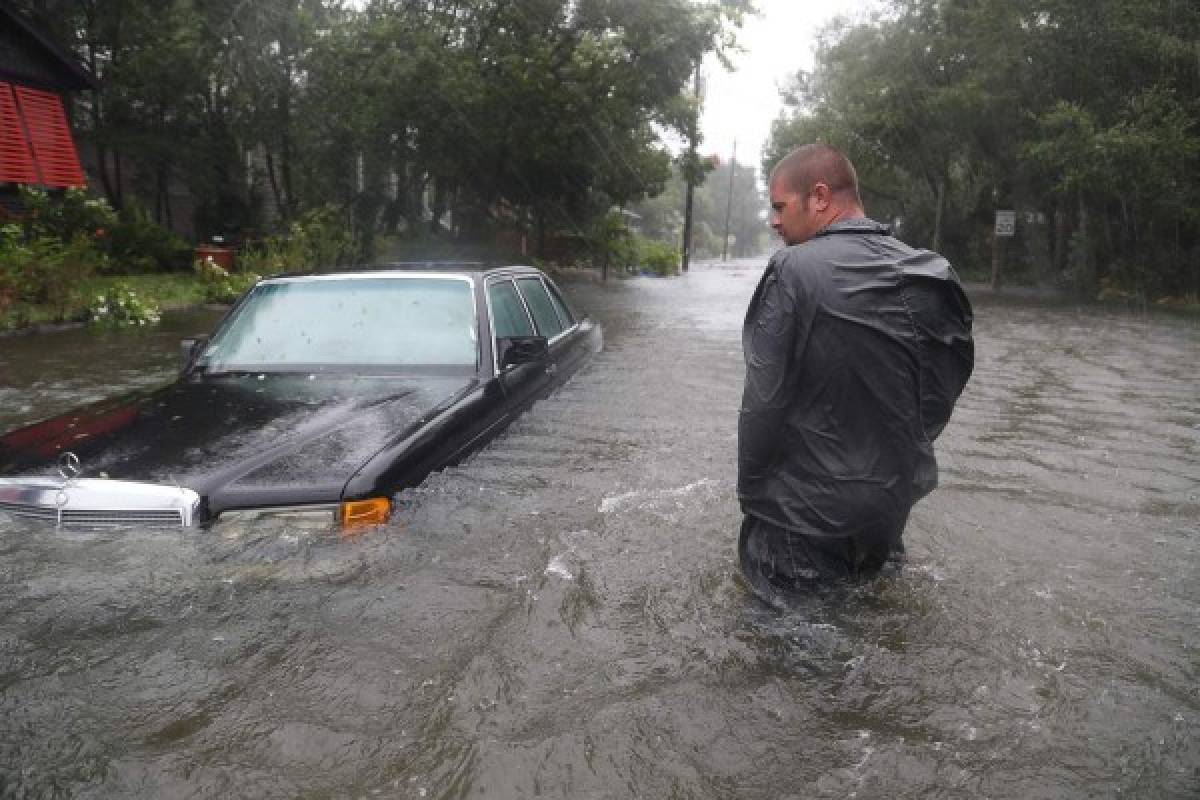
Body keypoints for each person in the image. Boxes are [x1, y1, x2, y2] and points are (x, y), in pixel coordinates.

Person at [738, 143, 974, 605]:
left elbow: (763, 403)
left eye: (780, 206)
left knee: (786, 660)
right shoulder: (932, 273)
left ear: (820, 196)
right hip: (885, 514)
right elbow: (941, 390)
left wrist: (754, 501)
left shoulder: (791, 269)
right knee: (870, 635)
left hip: (798, 523)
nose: (773, 220)